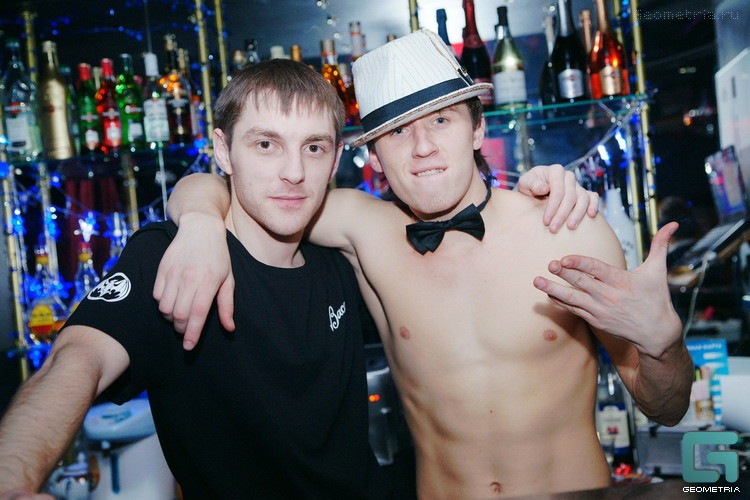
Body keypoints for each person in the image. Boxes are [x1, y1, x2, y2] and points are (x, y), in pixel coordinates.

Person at [0, 58, 592, 499]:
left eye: (313, 148)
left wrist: (544, 193)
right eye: (266, 145)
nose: (292, 172)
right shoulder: (171, 256)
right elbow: (75, 361)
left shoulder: (344, 258)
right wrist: (11, 479)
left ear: (336, 159)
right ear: (223, 152)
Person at [156, 31, 693, 498]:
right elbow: (227, 187)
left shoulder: (568, 227)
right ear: (373, 155)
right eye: (398, 131)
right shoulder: (363, 228)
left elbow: (666, 408)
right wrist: (200, 224)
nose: (422, 147)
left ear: (477, 129)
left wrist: (663, 346)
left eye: (441, 120)